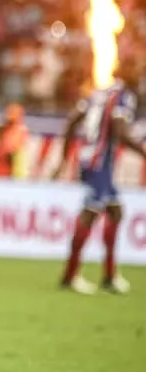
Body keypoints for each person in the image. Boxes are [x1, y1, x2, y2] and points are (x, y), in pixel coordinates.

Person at [53, 57, 146, 295]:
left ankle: (109, 275)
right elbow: (119, 130)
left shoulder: (98, 92)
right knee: (90, 213)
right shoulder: (124, 96)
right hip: (99, 161)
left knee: (115, 210)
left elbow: (72, 121)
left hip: (89, 158)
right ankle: (70, 275)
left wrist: (65, 158)